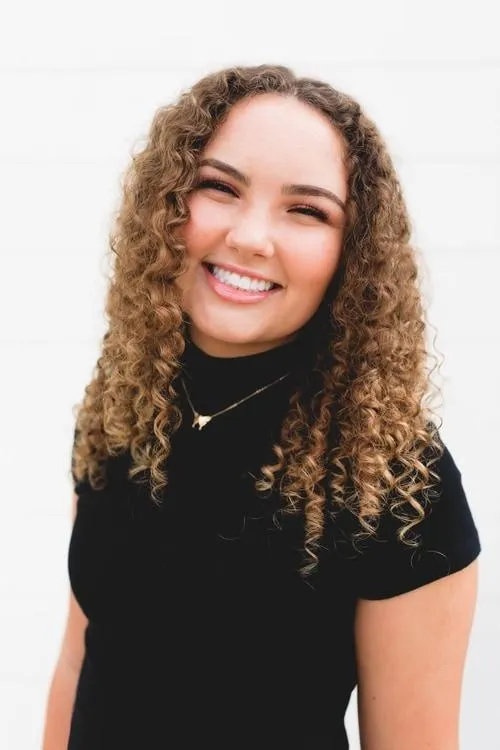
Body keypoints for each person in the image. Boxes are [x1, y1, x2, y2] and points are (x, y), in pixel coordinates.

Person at [42, 64, 481, 750]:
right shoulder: (124, 404)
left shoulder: (395, 478)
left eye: (307, 211)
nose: (251, 237)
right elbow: (80, 661)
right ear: (167, 204)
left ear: (352, 254)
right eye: (220, 187)